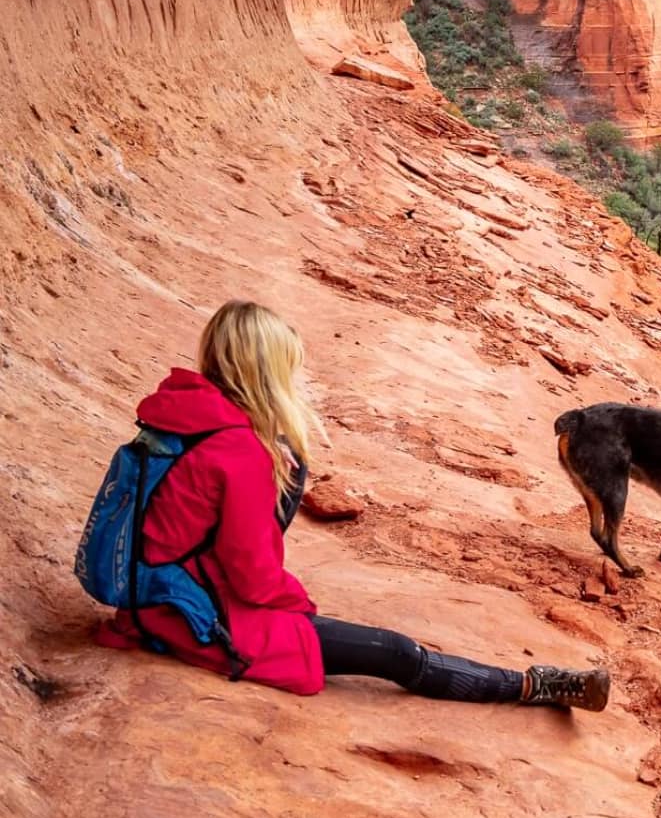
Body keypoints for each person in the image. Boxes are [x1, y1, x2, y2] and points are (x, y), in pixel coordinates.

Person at [97, 300, 610, 712]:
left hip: (157, 590)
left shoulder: (184, 414)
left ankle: (534, 684)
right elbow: (252, 577)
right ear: (268, 372)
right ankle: (535, 687)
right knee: (394, 653)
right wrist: (293, 600)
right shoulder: (239, 451)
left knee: (290, 464)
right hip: (188, 614)